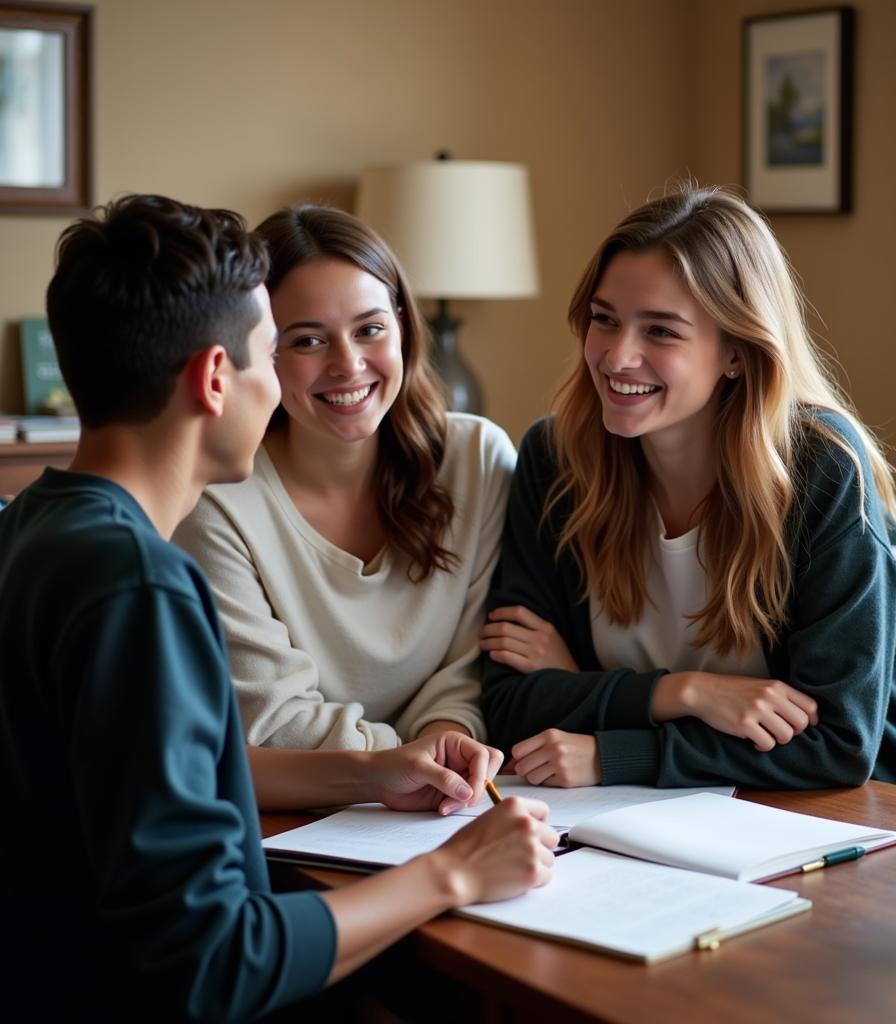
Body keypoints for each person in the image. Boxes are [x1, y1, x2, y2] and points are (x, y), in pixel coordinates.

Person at [0, 194, 557, 1023]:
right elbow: (216, 962)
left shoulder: (36, 529)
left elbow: (161, 776)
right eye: (276, 350)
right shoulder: (141, 588)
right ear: (215, 380)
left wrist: (372, 770)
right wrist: (455, 872)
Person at [479, 184, 896, 807]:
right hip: (696, 808)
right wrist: (683, 692)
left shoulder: (819, 467)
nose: (618, 356)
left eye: (661, 331)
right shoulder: (557, 458)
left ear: (735, 351)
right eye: (604, 319)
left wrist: (608, 734)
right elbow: (508, 705)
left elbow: (838, 742)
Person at [174, 204, 515, 751]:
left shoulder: (478, 458)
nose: (349, 365)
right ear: (265, 353)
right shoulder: (217, 500)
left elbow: (472, 670)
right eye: (309, 340)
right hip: (299, 813)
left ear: (403, 327)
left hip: (448, 791)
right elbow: (270, 718)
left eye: (370, 329)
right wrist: (401, 761)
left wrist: (446, 742)